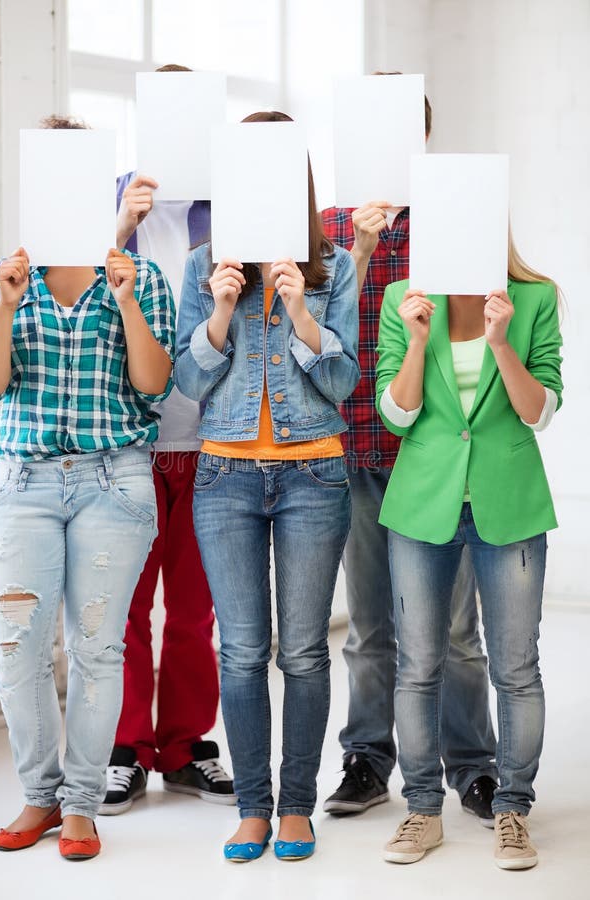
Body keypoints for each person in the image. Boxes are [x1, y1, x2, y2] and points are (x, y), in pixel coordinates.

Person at [0, 132, 175, 858]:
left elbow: (153, 384)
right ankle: (38, 795)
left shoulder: (138, 278)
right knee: (17, 650)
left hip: (112, 482)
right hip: (22, 481)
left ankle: (81, 803)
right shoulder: (4, 279)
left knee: (97, 648)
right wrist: (4, 305)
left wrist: (124, 303)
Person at [174, 111, 359, 862]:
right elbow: (188, 383)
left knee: (304, 652)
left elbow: (344, 383)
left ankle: (295, 807)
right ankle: (252, 807)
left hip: (313, 473)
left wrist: (299, 313)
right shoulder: (199, 267)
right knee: (242, 651)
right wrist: (221, 310)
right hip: (223, 476)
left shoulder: (333, 267)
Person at [321, 74, 498, 824]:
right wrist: (357, 247)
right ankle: (366, 759)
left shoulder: (453, 220)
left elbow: (480, 331)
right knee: (369, 625)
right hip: (358, 445)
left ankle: (473, 765)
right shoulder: (326, 226)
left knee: (456, 630)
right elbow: (323, 337)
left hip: (434, 457)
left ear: (418, 140)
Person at [376, 238, 562, 869]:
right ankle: (422, 809)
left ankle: (512, 809)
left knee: (515, 668)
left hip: (507, 506)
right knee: (418, 663)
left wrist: (501, 343)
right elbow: (396, 414)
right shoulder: (406, 300)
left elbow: (537, 412)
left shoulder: (533, 299)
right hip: (422, 504)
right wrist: (420, 339)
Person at [100, 63, 235, 815]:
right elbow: (76, 303)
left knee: (193, 612)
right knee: (122, 606)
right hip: (128, 444)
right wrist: (115, 228)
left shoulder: (235, 207)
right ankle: (124, 747)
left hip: (209, 440)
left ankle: (184, 747)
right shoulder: (113, 196)